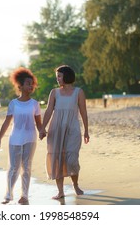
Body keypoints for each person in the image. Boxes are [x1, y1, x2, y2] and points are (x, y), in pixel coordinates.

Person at [39, 65, 90, 200]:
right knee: (57, 159)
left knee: (72, 158)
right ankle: (60, 191)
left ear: (67, 76)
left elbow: (83, 112)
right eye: (57, 77)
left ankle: (75, 184)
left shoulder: (78, 92)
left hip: (72, 128)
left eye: (59, 76)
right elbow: (49, 110)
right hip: (56, 129)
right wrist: (42, 127)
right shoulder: (54, 92)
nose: (58, 79)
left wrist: (86, 131)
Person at [0, 68, 42, 205]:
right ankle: (8, 195)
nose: (31, 86)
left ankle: (24, 196)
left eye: (32, 83)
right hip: (15, 138)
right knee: (14, 167)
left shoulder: (35, 104)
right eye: (28, 83)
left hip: (30, 138)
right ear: (20, 86)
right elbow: (6, 122)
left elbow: (39, 124)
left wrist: (43, 132)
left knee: (26, 167)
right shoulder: (13, 104)